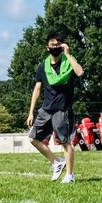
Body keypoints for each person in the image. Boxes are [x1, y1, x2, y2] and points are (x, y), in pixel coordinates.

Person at [27, 37, 85, 183]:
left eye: (58, 44)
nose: (55, 47)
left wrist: (68, 54)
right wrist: (31, 112)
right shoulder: (43, 66)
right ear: (48, 48)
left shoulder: (68, 63)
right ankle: (57, 162)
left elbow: (80, 72)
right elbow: (37, 89)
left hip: (63, 109)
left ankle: (70, 175)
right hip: (46, 109)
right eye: (52, 45)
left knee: (65, 142)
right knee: (33, 138)